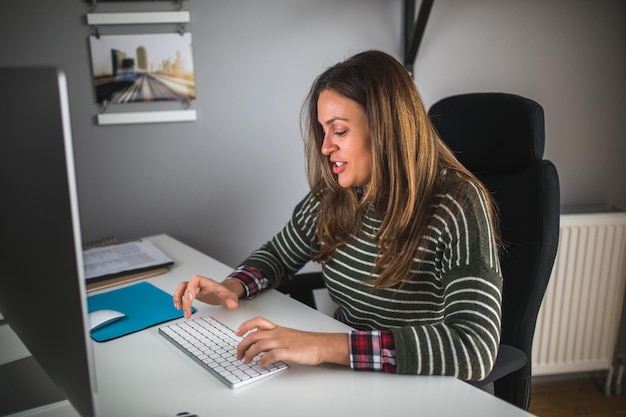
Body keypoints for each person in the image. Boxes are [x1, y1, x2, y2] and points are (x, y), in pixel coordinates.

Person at [174, 50, 502, 381]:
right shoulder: (337, 194)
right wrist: (232, 287)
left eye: (339, 131)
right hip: (349, 374)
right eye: (323, 131)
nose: (325, 147)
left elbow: (475, 346)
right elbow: (277, 255)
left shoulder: (457, 202)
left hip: (417, 384)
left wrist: (322, 346)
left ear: (386, 130)